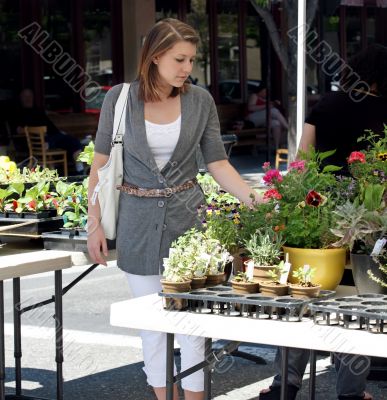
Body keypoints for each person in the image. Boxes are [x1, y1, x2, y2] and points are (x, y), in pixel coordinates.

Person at [87, 18, 260, 400]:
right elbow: (99, 166)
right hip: (136, 223)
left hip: (190, 224)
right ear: (155, 56)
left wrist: (256, 199)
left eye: (192, 60)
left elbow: (217, 164)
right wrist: (94, 224)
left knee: (193, 322)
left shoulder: (200, 101)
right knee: (153, 325)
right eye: (180, 59)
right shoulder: (119, 99)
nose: (187, 69)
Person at [259, 44, 387, 400]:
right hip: (370, 218)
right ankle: (350, 392)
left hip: (319, 211)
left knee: (306, 296)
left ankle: (283, 386)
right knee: (357, 304)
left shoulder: (325, 105)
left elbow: (302, 160)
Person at [9, 88, 84, 173]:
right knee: (61, 138)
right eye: (25, 96)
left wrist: (58, 133)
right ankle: (52, 142)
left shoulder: (38, 111)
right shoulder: (17, 113)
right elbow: (18, 130)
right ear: (20, 98)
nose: (28, 98)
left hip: (51, 139)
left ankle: (80, 170)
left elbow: (50, 126)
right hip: (34, 142)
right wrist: (36, 131)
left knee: (73, 141)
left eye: (30, 96)